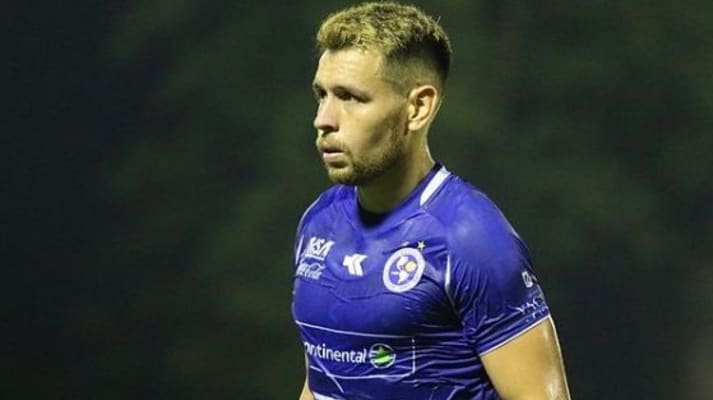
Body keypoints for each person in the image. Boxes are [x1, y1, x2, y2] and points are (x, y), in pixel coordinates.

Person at [291, 2, 571, 399]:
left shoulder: (472, 239)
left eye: (350, 97)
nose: (324, 119)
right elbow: (321, 381)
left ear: (418, 107)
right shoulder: (319, 221)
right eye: (322, 95)